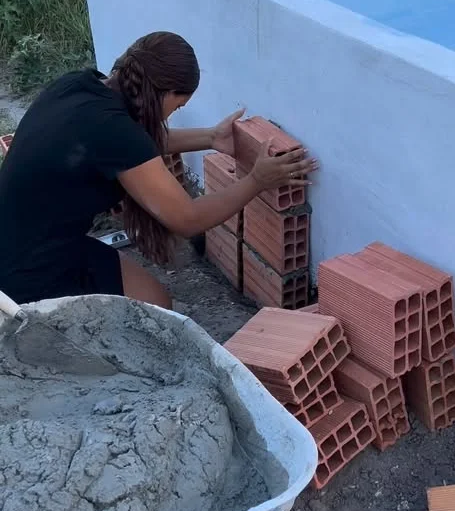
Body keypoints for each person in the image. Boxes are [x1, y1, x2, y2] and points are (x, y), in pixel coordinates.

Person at [0, 31, 316, 308]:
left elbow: (132, 148)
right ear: (163, 94)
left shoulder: (81, 87)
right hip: (25, 271)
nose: (174, 113)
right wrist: (258, 180)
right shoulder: (117, 133)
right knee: (147, 319)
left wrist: (210, 138)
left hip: (28, 239)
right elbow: (188, 220)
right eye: (178, 105)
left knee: (157, 303)